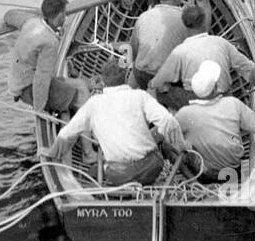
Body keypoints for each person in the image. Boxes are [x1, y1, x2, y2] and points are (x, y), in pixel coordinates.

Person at [45, 60, 187, 186]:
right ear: (126, 77)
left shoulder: (93, 103)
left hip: (118, 175)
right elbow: (168, 120)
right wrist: (180, 145)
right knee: (159, 138)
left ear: (102, 81)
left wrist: (53, 153)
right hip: (151, 169)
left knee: (103, 164)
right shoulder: (140, 96)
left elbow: (67, 133)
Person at [174, 61, 255, 180]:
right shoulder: (233, 103)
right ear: (216, 88)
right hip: (232, 170)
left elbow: (166, 134)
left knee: (170, 145)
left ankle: (190, 178)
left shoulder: (184, 113)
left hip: (204, 173)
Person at [148, 3, 255, 110]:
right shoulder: (221, 42)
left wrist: (154, 85)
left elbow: (159, 81)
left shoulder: (179, 51)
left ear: (184, 25)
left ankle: (174, 113)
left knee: (159, 90)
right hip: (224, 97)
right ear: (204, 22)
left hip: (194, 100)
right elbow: (249, 70)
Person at [8, 0, 89, 118]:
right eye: (65, 14)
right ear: (60, 16)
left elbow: (10, 15)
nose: (65, 17)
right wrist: (39, 110)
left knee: (81, 85)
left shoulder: (31, 22)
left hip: (17, 83)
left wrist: (7, 15)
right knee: (81, 96)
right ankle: (75, 133)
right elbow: (42, 79)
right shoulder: (49, 42)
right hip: (29, 89)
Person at [127, 0, 188, 90]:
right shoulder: (185, 19)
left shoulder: (143, 16)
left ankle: (130, 92)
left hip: (142, 75)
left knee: (136, 67)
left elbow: (133, 49)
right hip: (166, 79)